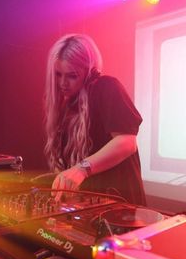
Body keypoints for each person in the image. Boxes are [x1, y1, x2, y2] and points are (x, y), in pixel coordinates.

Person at [43, 33, 146, 205]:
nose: (63, 83)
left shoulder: (106, 87)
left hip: (119, 205)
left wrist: (81, 169)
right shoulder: (66, 106)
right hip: (87, 207)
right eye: (58, 74)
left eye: (72, 75)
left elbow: (127, 142)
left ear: (88, 69)